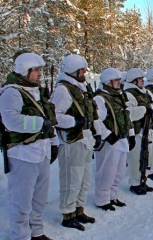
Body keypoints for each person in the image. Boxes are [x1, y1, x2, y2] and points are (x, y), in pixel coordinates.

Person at [0, 52, 58, 240]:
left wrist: (53, 142)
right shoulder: (11, 92)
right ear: (25, 71)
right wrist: (40, 124)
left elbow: (49, 119)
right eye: (36, 70)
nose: (40, 73)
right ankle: (21, 236)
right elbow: (11, 121)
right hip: (22, 154)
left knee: (39, 198)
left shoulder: (38, 91)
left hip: (41, 152)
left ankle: (37, 232)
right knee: (21, 201)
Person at [50, 54, 100, 230]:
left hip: (85, 139)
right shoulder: (63, 90)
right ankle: (67, 213)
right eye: (82, 70)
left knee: (84, 178)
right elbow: (54, 116)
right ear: (73, 71)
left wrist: (96, 131)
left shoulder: (81, 88)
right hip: (71, 140)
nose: (85, 73)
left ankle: (79, 209)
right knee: (71, 178)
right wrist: (74, 122)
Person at [94, 68, 135, 211]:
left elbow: (126, 116)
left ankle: (113, 196)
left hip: (122, 138)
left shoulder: (119, 96)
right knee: (107, 171)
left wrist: (131, 134)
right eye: (116, 80)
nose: (119, 83)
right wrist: (107, 135)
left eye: (119, 80)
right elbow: (96, 120)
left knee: (119, 171)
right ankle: (102, 199)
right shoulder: (100, 98)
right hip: (110, 141)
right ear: (108, 82)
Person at [123, 68, 153, 195]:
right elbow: (129, 114)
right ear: (133, 81)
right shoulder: (129, 94)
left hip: (146, 129)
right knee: (135, 158)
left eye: (142, 79)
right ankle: (135, 183)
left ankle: (143, 180)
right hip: (136, 130)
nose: (143, 81)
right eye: (140, 79)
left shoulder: (146, 92)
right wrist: (143, 110)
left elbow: (151, 109)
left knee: (146, 157)